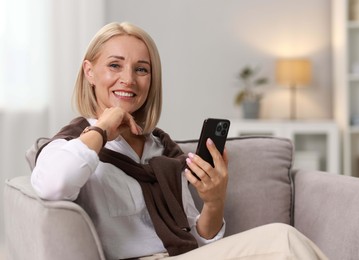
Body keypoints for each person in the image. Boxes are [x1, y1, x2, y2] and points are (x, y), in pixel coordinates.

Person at [31, 22, 328, 260]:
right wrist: (104, 129)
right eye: (115, 65)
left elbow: (197, 240)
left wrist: (214, 200)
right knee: (284, 240)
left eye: (141, 69)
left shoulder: (162, 149)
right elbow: (53, 184)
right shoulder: (72, 143)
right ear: (89, 72)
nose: (129, 79)